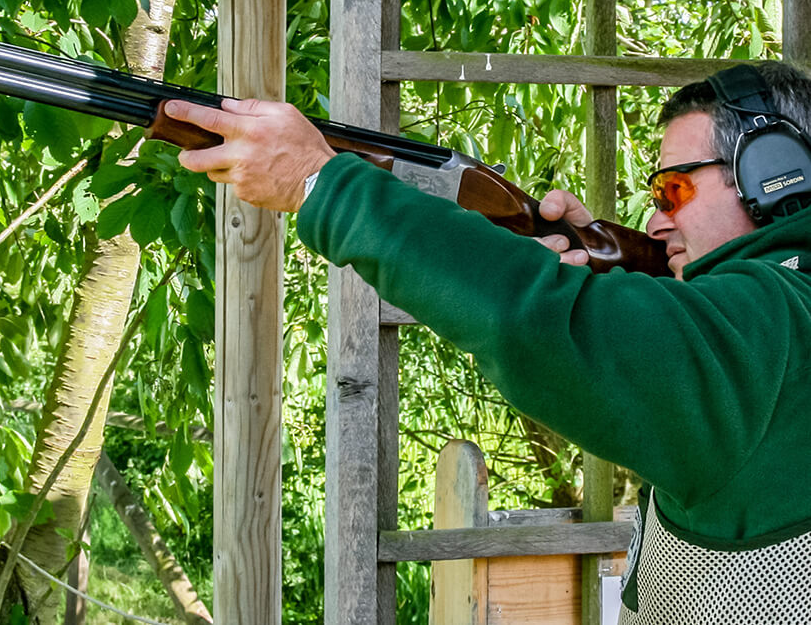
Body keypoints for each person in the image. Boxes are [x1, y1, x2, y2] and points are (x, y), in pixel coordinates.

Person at [163, 61, 811, 623]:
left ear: (775, 174)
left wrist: (321, 185)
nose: (654, 217)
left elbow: (525, 320)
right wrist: (618, 273)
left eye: (675, 187)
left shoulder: (773, 322)